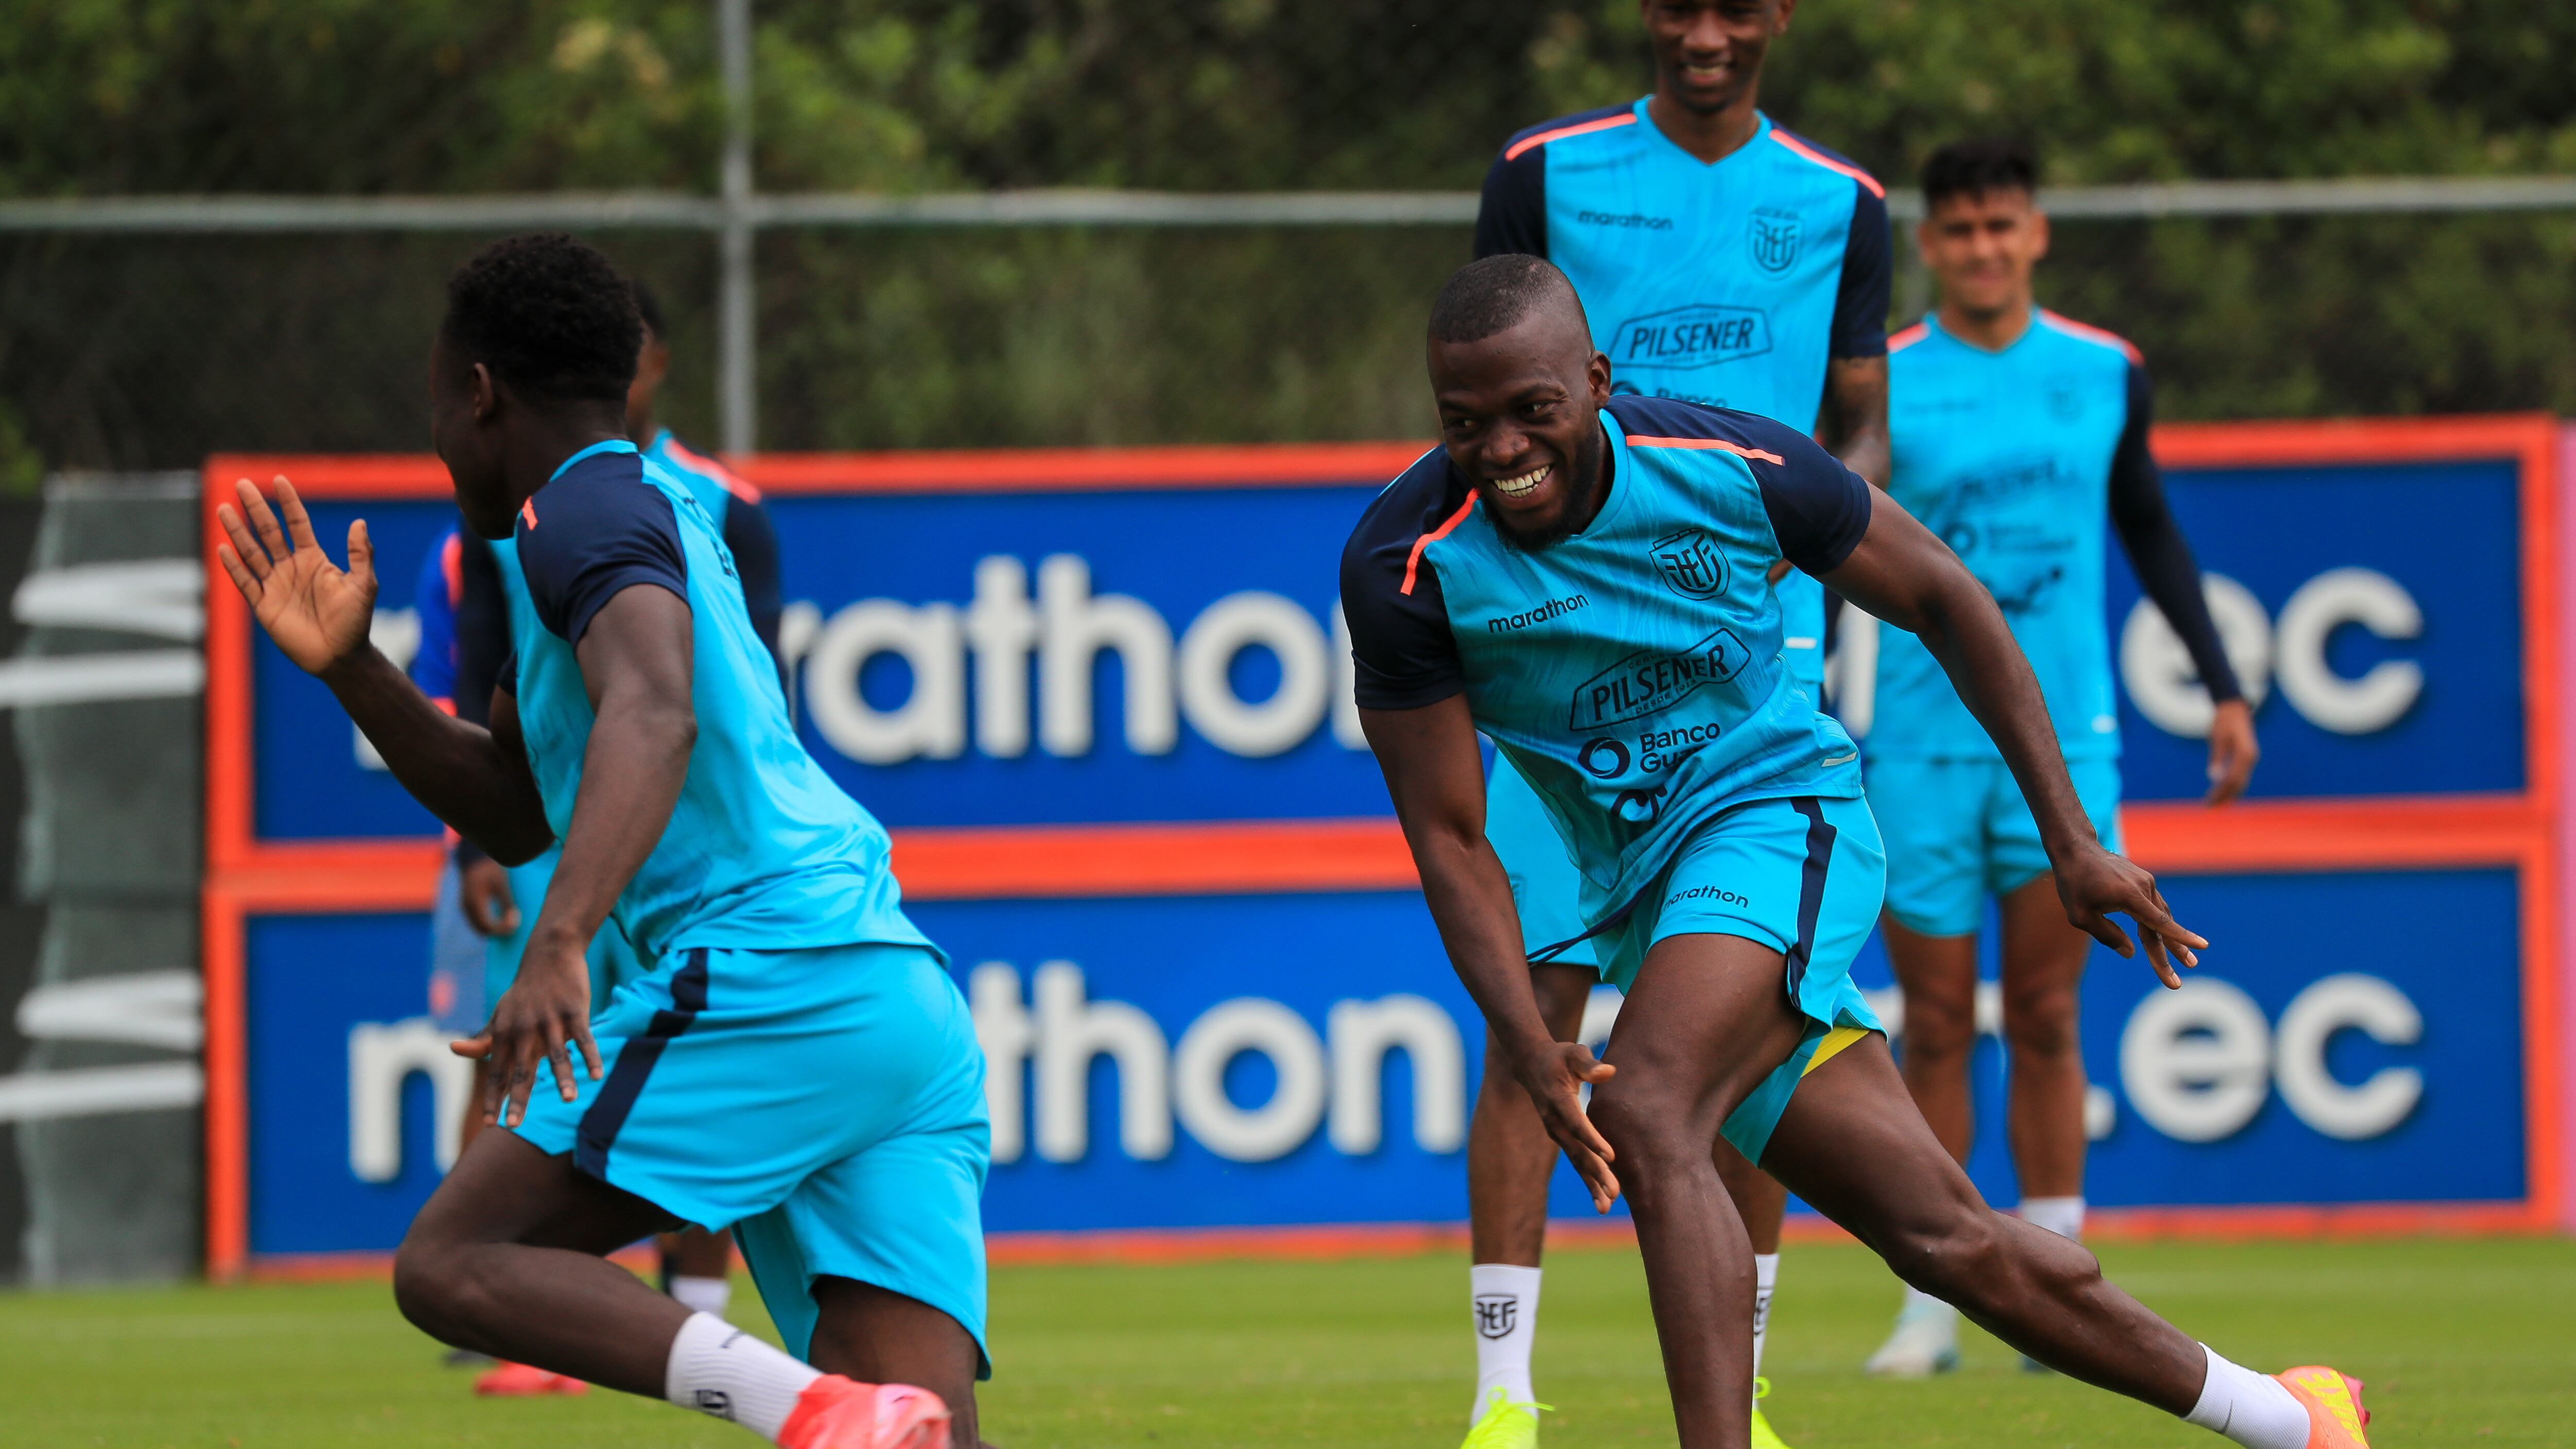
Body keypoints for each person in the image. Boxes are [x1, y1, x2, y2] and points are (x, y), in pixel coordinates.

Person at [1340, 254, 2371, 1449]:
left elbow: (1945, 595)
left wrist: (2072, 838)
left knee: (1654, 1103)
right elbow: (1451, 834)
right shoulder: (1404, 565)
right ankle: (2291, 1417)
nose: (1504, 448)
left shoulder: (1732, 464)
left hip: (1780, 819)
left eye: (1534, 409)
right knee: (1948, 1240)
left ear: (1598, 381)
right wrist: (1525, 1040)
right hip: (1645, 895)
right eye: (1465, 422)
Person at [214, 233, 987, 1449]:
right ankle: (846, 1411)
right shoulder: (623, 516)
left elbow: (655, 710)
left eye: (437, 404)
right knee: (925, 1433)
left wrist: (559, 938)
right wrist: (356, 670)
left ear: (479, 394)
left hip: (769, 963)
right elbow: (519, 807)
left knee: (456, 1258)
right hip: (886, 991)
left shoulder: (577, 507)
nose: (435, 438)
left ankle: (812, 1411)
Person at [1462, 1, 1889, 1442]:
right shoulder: (1544, 171)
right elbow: (1487, 407)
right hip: (1566, 665)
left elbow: (1861, 426)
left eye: (1734, 5)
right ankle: (1503, 1399)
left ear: (1778, 15)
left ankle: (1739, 1392)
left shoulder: (1840, 202)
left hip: (1752, 680)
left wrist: (1812, 544)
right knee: (1530, 1017)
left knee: (1750, 1050)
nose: (1705, 32)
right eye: (1679, 4)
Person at [1858, 138, 2262, 1377]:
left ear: (2035, 232)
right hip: (1920, 746)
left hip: (2064, 748)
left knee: (2044, 1012)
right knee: (1933, 1022)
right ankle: (1932, 1304)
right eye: (1960, 228)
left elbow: (2147, 526)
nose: (1982, 247)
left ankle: (2060, 1287)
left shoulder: (2104, 371)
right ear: (1929, 244)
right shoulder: (1885, 382)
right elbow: (1836, 544)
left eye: (2002, 224)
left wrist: (2221, 683)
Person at [448, 276, 790, 1363]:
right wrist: (473, 845)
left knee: (456, 1252)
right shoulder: (520, 519)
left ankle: (687, 1308)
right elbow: (491, 681)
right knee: (519, 1043)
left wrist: (559, 932)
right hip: (570, 832)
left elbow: (702, 699)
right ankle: (524, 1323)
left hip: (698, 864)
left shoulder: (679, 502)